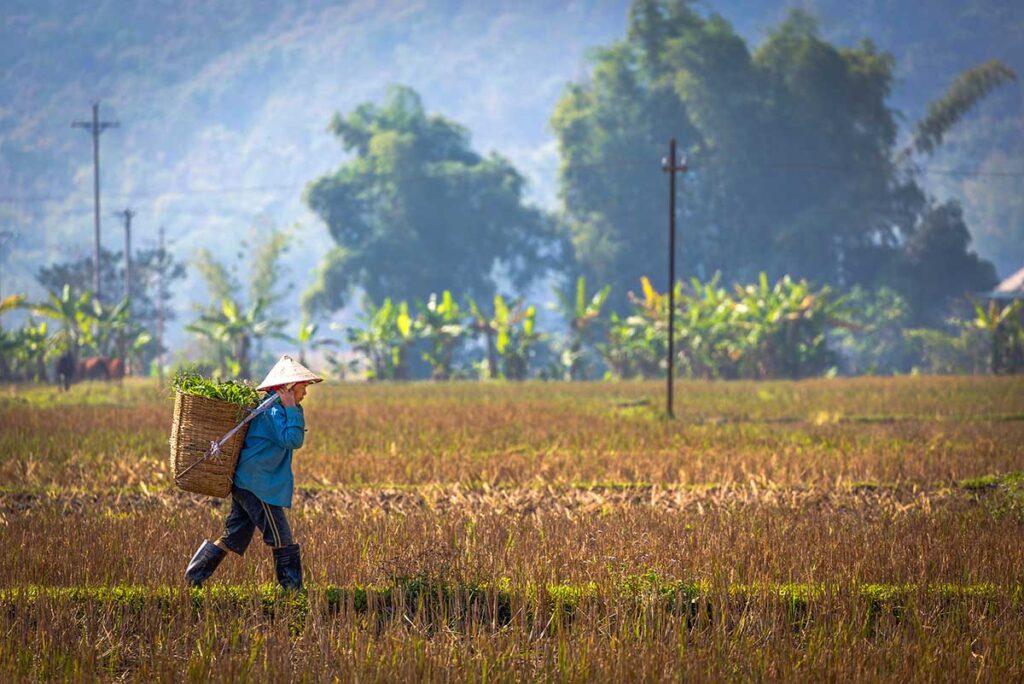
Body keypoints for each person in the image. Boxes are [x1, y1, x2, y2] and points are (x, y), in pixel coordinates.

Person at [184, 355, 323, 590]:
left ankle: (194, 576)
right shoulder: (274, 412)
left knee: (234, 536)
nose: (305, 393)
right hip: (258, 485)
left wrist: (291, 408)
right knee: (282, 538)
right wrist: (291, 408)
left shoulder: (273, 408)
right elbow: (293, 439)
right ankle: (293, 591)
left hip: (247, 482)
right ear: (286, 388)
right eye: (302, 387)